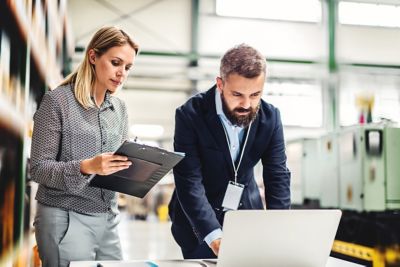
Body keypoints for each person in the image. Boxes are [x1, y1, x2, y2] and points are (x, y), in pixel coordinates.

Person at [168, 44, 291, 259]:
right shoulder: (190, 115)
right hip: (198, 224)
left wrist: (278, 228)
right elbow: (189, 182)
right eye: (237, 94)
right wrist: (214, 237)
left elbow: (277, 176)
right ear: (220, 84)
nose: (246, 104)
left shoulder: (271, 118)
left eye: (255, 95)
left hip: (247, 216)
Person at [30, 26, 139, 267]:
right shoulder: (57, 101)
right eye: (115, 62)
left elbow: (115, 166)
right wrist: (87, 166)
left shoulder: (119, 109)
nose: (122, 73)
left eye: (127, 67)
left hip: (108, 218)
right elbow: (38, 169)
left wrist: (138, 169)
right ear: (93, 56)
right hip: (65, 217)